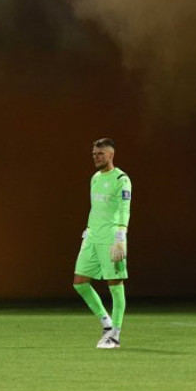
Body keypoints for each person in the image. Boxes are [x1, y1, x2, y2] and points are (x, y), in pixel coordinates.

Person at [73, 137, 131, 349]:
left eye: (100, 154)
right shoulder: (95, 178)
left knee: (115, 284)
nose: (96, 157)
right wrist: (87, 231)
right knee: (79, 282)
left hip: (111, 238)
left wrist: (120, 237)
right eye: (94, 154)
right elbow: (95, 209)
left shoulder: (121, 179)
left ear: (111, 155)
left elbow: (125, 209)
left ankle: (115, 335)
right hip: (93, 236)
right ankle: (106, 324)